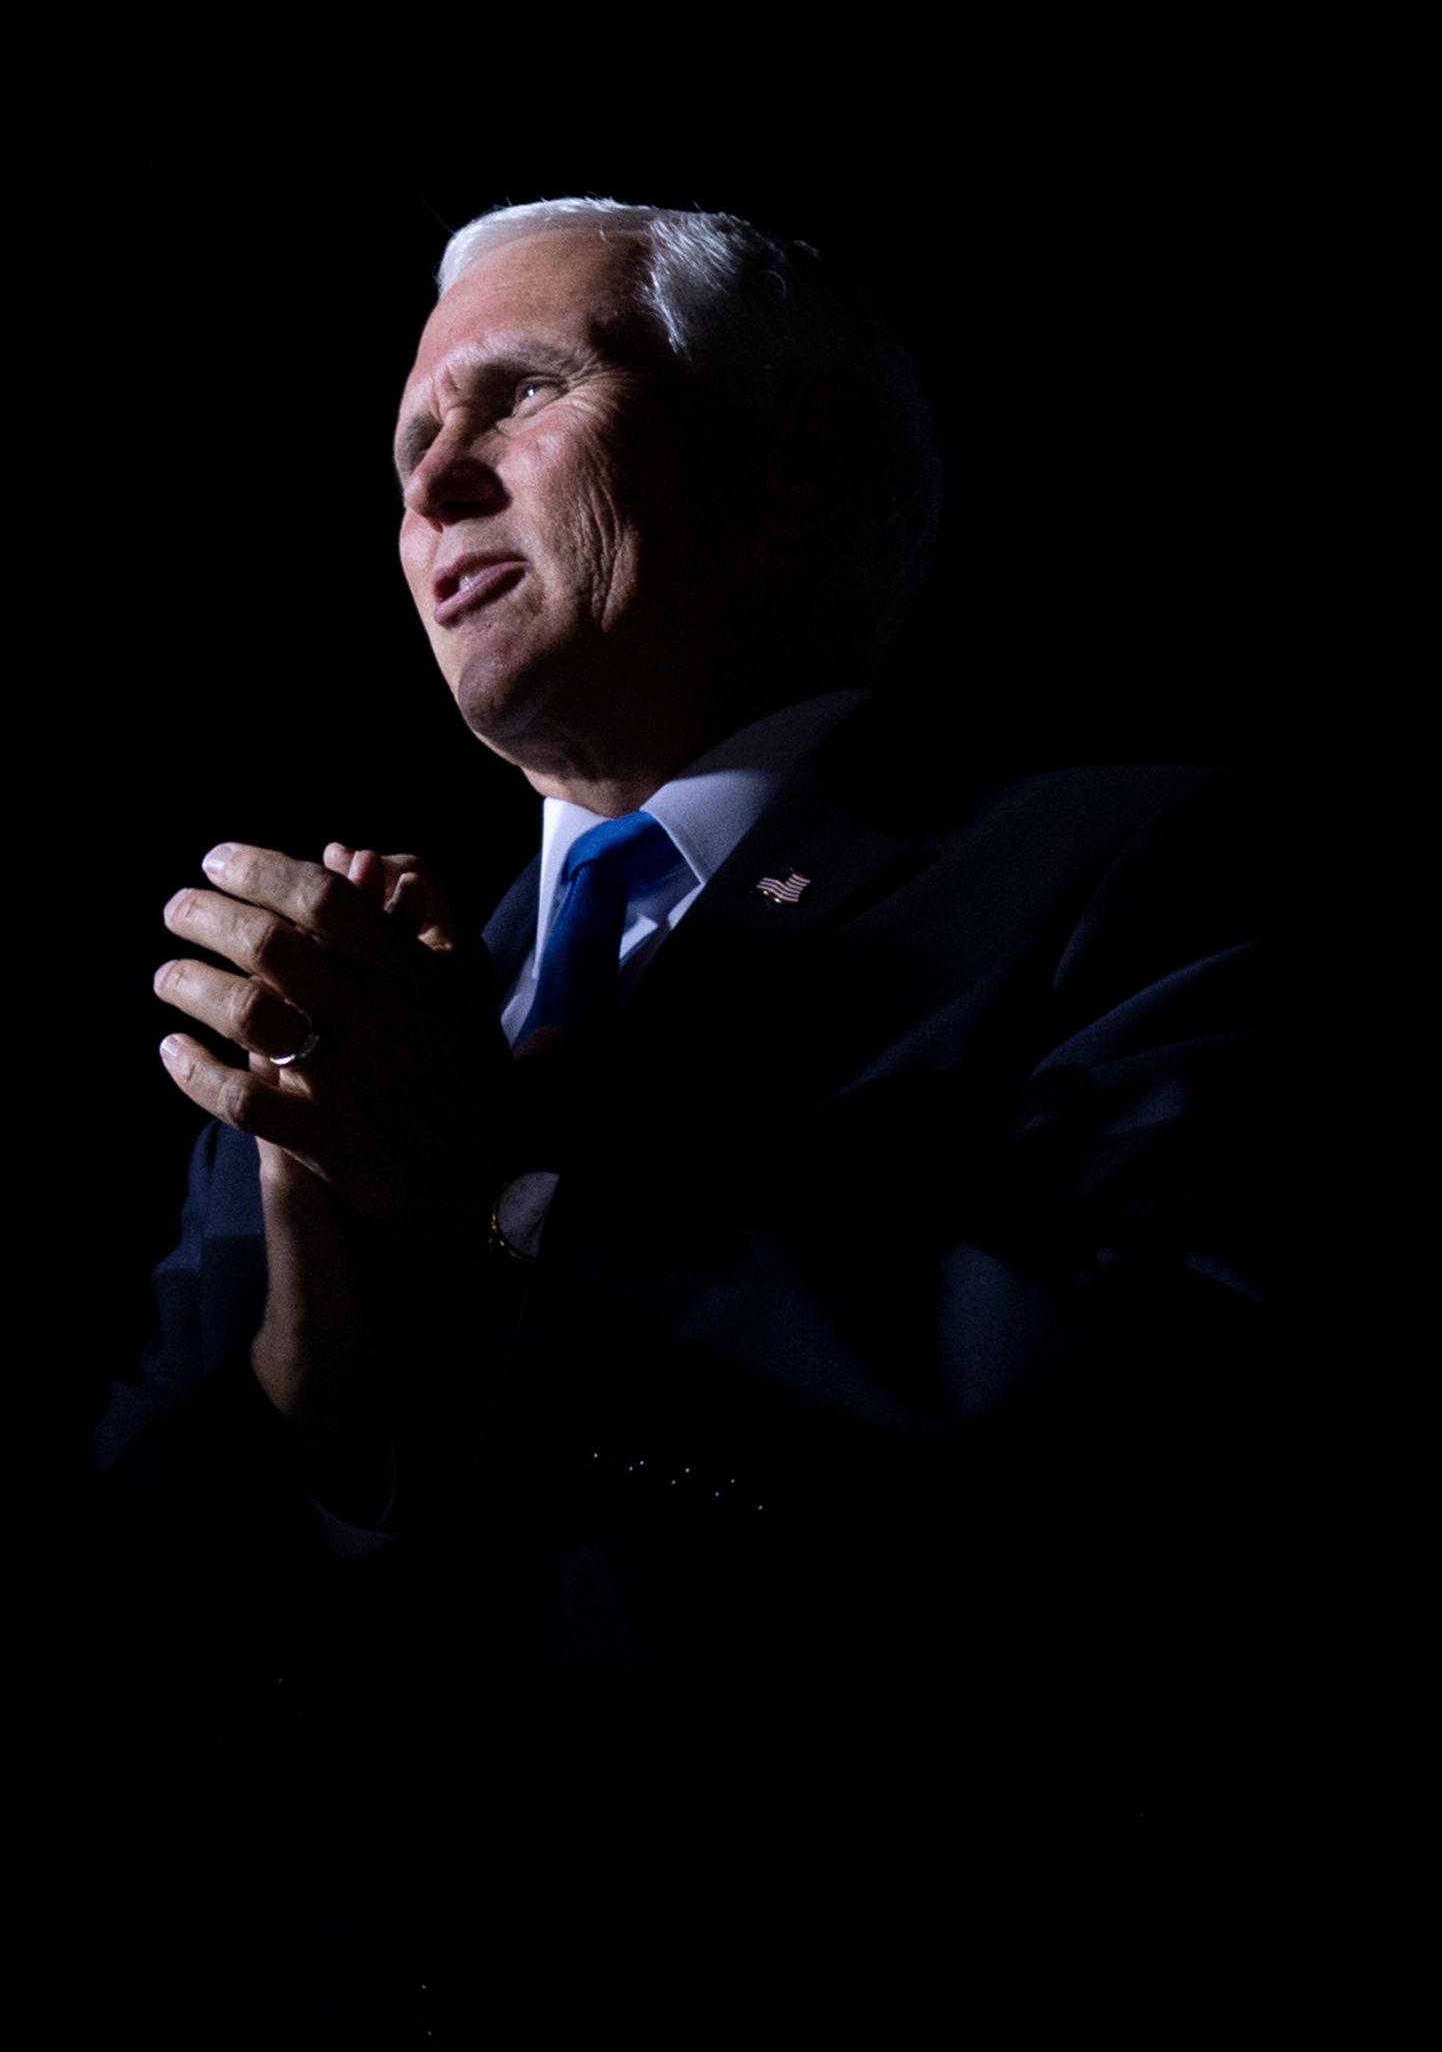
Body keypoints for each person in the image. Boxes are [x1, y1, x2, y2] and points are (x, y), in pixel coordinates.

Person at [76, 198, 1283, 2042]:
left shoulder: (1131, 870)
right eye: (408, 450)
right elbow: (126, 1658)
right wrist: (318, 1317)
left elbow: (1151, 1460)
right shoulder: (363, 1023)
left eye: (519, 395)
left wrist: (518, 1207)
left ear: (791, 462)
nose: (435, 485)